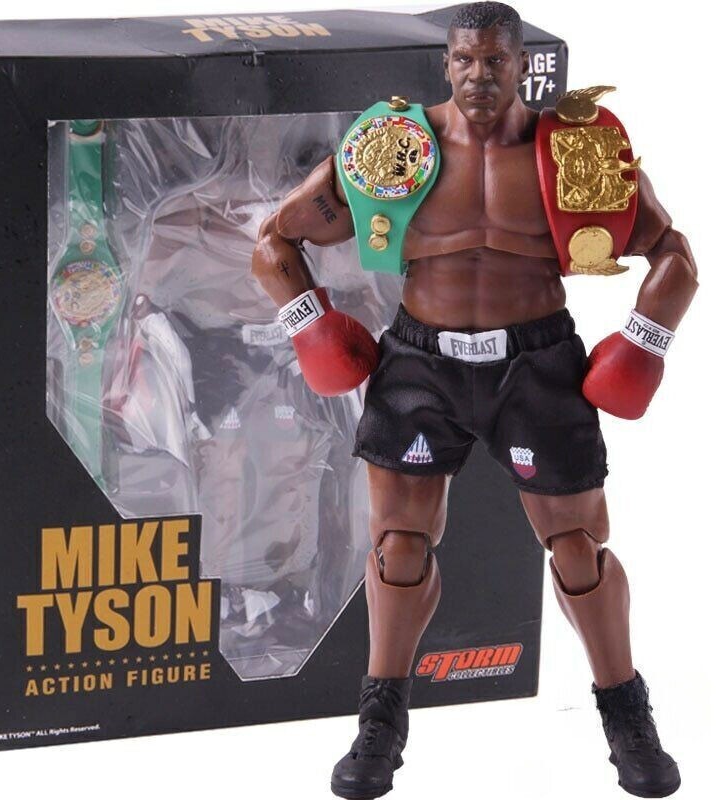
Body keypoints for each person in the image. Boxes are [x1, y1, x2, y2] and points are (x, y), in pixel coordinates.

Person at [250, 3, 697, 797]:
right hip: (422, 362)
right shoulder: (393, 147)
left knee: (578, 549)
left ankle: (627, 714)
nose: (479, 75)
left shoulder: (576, 149)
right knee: (398, 546)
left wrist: (644, 341)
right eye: (465, 60)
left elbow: (674, 256)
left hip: (535, 363)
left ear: (522, 65)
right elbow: (274, 241)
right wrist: (309, 325)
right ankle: (379, 721)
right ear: (446, 64)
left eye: (495, 61)